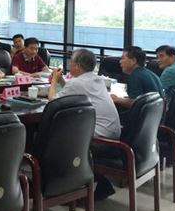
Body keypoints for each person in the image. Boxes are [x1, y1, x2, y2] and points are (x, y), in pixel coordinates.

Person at [48, 49, 121, 201]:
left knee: (56, 138)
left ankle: (63, 186)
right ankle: (98, 184)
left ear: (78, 65)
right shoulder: (97, 79)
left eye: (71, 61)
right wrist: (61, 81)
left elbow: (52, 103)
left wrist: (54, 80)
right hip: (113, 133)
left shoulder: (77, 83)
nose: (69, 64)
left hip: (99, 139)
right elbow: (74, 89)